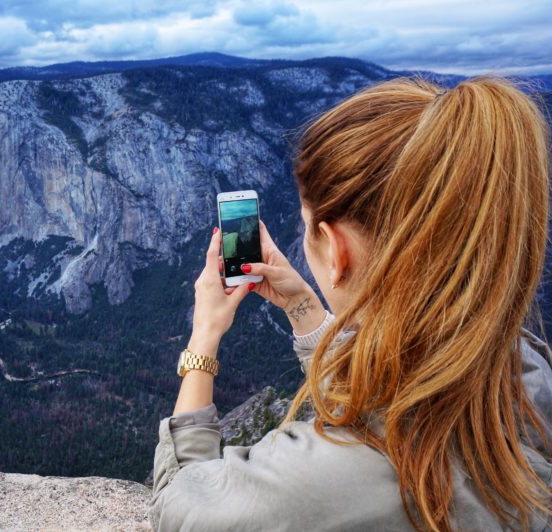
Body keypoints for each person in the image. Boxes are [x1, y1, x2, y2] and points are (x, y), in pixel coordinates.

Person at [148, 75, 552, 531]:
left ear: (336, 250)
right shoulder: (526, 369)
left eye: (305, 226)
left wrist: (204, 338)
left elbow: (179, 504)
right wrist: (303, 310)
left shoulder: (315, 483)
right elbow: (393, 389)